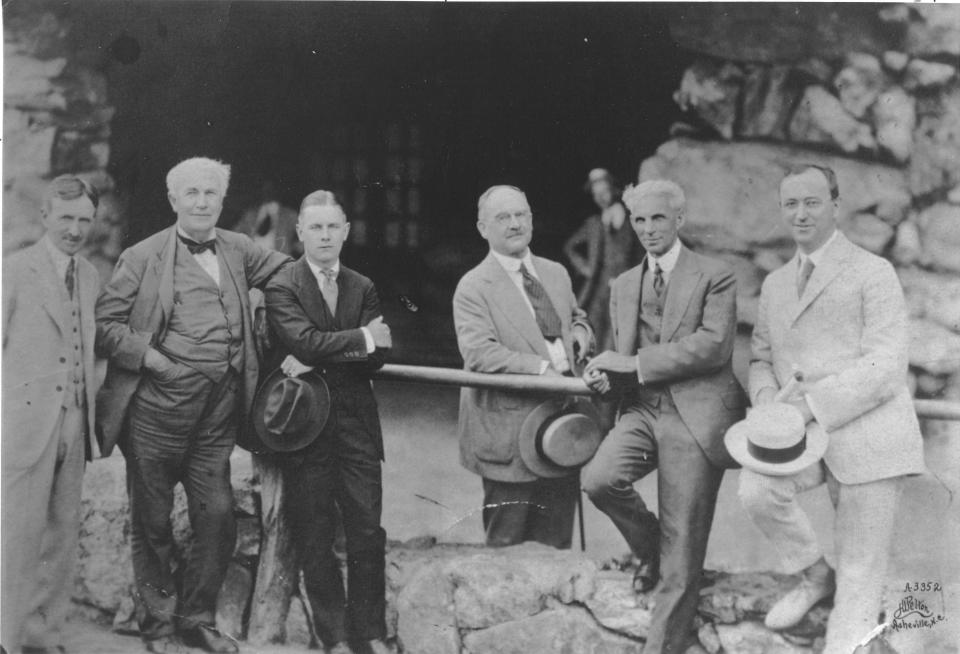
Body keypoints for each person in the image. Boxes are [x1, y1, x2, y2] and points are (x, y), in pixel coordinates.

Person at [95, 157, 290, 653]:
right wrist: (152, 359)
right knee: (153, 525)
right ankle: (157, 628)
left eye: (211, 194)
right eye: (192, 193)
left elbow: (294, 275)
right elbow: (104, 326)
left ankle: (196, 617)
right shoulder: (142, 256)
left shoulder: (240, 248)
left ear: (223, 201)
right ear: (173, 200)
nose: (202, 202)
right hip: (155, 418)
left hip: (216, 417)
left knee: (219, 519)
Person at [735, 164, 925, 654]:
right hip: (802, 435)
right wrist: (765, 405)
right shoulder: (776, 283)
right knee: (757, 489)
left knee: (860, 579)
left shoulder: (873, 272)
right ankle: (815, 576)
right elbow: (759, 358)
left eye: (812, 202)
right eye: (791, 204)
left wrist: (809, 409)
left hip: (870, 437)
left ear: (835, 206)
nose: (800, 213)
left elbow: (886, 367)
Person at [581, 180, 746, 654]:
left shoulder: (716, 274)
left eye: (658, 218)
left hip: (695, 418)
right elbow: (623, 355)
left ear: (679, 219)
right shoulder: (623, 284)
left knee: (680, 564)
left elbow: (713, 347)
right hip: (641, 411)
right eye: (639, 220)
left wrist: (631, 365)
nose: (648, 228)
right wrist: (606, 377)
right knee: (598, 479)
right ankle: (657, 551)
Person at [263, 190, 392, 654]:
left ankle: (369, 632)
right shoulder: (283, 285)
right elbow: (303, 339)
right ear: (300, 233)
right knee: (315, 535)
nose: (323, 235)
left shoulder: (363, 285)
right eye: (313, 227)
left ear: (345, 232)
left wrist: (317, 354)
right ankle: (333, 636)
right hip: (306, 430)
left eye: (331, 227)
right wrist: (358, 339)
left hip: (357, 426)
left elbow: (381, 356)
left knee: (366, 531)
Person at [453, 184, 593, 549]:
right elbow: (479, 353)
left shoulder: (557, 273)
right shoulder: (473, 287)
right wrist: (542, 368)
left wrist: (580, 333)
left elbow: (576, 316)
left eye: (521, 215)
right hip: (508, 435)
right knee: (506, 547)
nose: (515, 224)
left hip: (562, 429)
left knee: (556, 547)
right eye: (503, 218)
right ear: (483, 228)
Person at [2, 176, 101, 654]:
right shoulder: (14, 271)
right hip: (24, 423)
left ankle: (46, 634)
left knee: (61, 538)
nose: (75, 229)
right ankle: (7, 637)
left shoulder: (91, 277)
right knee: (17, 535)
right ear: (45, 216)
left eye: (84, 220)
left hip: (74, 422)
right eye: (66, 218)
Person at [563, 168, 641, 351]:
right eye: (595, 194)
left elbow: (642, 255)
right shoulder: (594, 224)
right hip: (599, 289)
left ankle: (613, 373)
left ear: (614, 190)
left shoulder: (633, 221)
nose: (600, 198)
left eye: (604, 192)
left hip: (625, 288)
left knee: (618, 335)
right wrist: (585, 268)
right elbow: (570, 246)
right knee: (595, 330)